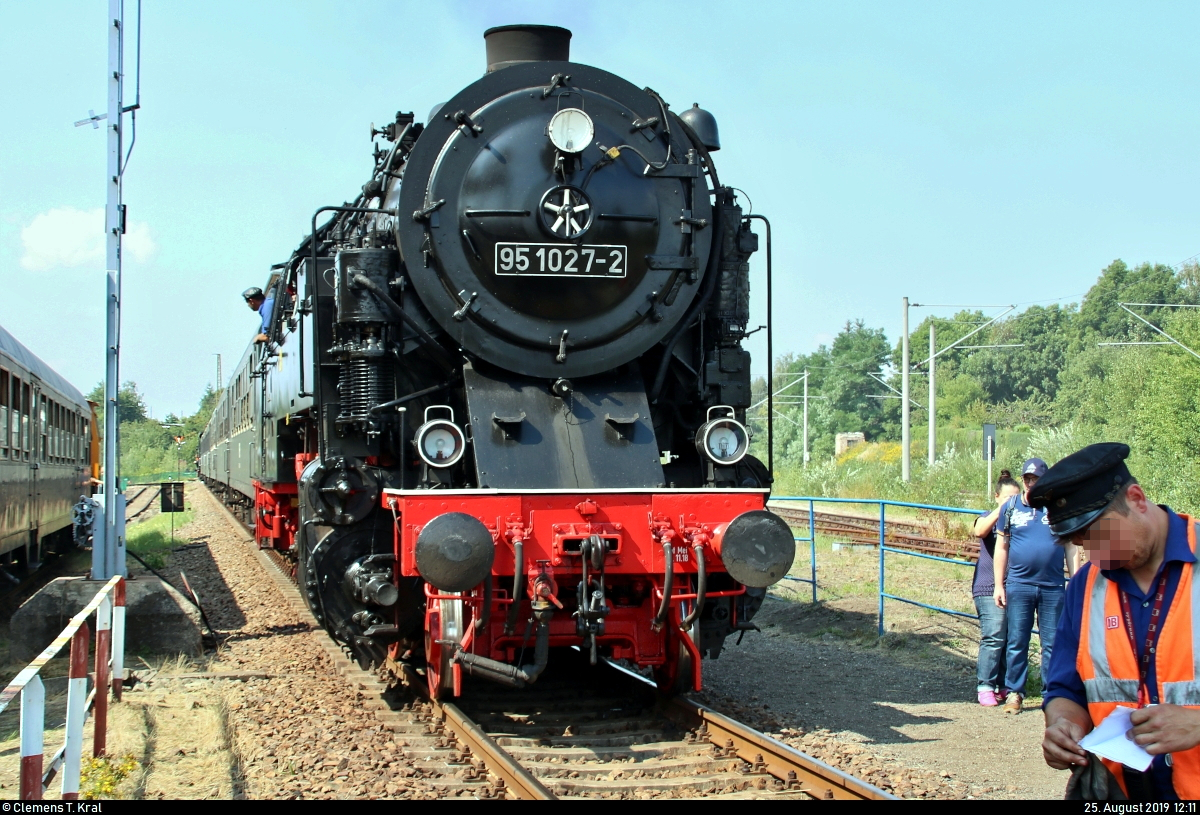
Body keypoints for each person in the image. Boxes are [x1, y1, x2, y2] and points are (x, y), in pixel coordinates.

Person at [1039, 442, 1200, 800]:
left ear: (1137, 498)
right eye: (1081, 542)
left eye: (1101, 536)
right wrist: (1064, 725)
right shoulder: (1085, 585)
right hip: (1119, 794)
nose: (1094, 554)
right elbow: (1067, 687)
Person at [994, 457, 1066, 714]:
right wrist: (999, 585)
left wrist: (1077, 582)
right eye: (1027, 478)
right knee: (1016, 640)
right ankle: (1015, 692)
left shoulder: (1058, 507)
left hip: (1052, 586)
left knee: (1053, 643)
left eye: (1036, 479)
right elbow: (1001, 548)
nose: (1031, 483)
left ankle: (1052, 695)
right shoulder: (1011, 507)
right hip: (1019, 584)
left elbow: (1071, 547)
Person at [972, 471, 1022, 706]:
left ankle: (1004, 685)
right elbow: (979, 530)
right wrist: (1001, 511)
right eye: (1007, 499)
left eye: (1016, 499)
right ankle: (985, 685)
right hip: (988, 586)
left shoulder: (1020, 519)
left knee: (1010, 637)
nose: (1012, 504)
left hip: (1014, 586)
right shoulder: (987, 517)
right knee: (994, 635)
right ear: (996, 497)